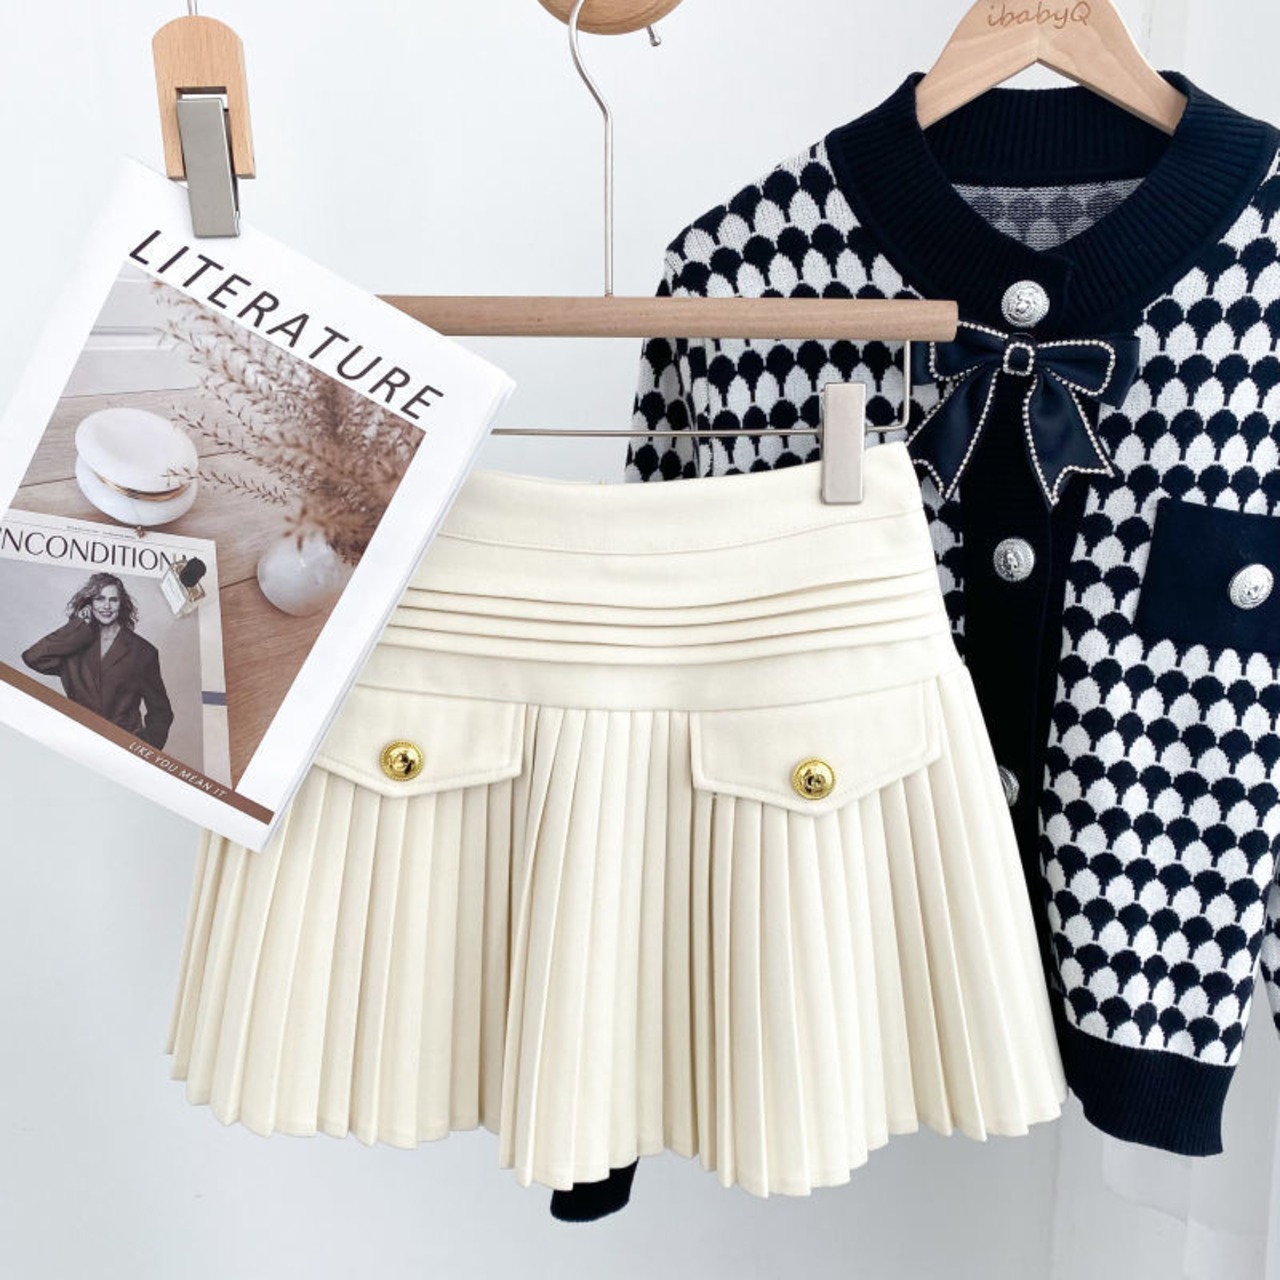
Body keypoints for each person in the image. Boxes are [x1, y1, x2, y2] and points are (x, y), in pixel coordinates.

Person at [22, 573, 173, 750]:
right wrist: (77, 625)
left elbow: (161, 711)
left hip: (123, 745)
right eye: (100, 599)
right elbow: (33, 657)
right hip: (77, 743)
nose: (106, 606)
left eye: (113, 600)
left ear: (121, 604)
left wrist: (145, 751)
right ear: (89, 603)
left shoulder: (143, 652)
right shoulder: (74, 644)